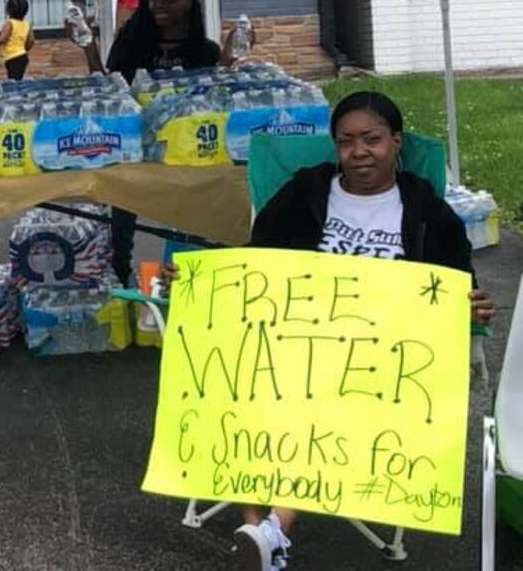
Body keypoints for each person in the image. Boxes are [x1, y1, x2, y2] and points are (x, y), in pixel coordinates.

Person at [162, 91, 494, 571]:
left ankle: (268, 531)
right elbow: (254, 262)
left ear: (396, 142)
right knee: (237, 387)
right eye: (347, 141)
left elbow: (459, 285)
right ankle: (265, 533)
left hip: (382, 361)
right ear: (335, 147)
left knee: (318, 396)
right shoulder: (305, 193)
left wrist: (476, 306)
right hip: (291, 343)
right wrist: (197, 280)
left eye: (372, 139)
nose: (360, 151)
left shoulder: (425, 210)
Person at [104, 0, 248, 285]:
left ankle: (190, 280)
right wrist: (86, 45)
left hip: (190, 157)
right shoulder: (131, 43)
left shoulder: (205, 50)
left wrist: (226, 60)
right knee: (122, 204)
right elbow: (109, 90)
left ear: (189, 0)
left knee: (196, 219)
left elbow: (215, 99)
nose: (160, 5)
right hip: (140, 151)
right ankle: (118, 273)